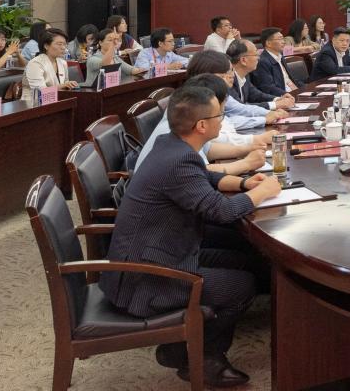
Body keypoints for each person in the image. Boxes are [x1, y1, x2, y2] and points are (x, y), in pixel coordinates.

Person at [100, 84, 281, 387]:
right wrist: (263, 192)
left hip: (166, 251)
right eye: (219, 115)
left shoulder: (172, 145)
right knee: (241, 286)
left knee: (246, 261)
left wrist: (243, 184)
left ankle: (179, 348)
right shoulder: (178, 160)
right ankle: (205, 359)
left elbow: (205, 177)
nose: (223, 120)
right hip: (146, 277)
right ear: (201, 126)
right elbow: (221, 211)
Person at [134, 74, 270, 175]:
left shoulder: (186, 117)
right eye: (220, 111)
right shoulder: (177, 131)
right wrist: (246, 164)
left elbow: (208, 150)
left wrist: (247, 148)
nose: (221, 117)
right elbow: (202, 173)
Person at [188, 50, 288, 129]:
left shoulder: (221, 92)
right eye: (223, 74)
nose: (231, 76)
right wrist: (264, 119)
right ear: (205, 75)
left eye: (231, 70)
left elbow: (241, 108)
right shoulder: (195, 99)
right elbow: (223, 124)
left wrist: (270, 114)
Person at [226, 39, 294, 109]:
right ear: (243, 60)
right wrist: (275, 105)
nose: (259, 58)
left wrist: (277, 99)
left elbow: (256, 95)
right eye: (256, 55)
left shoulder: (245, 75)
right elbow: (240, 108)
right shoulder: (227, 79)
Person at [251, 27, 298, 97]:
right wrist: (287, 95)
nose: (283, 42)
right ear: (268, 43)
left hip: (293, 93)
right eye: (280, 39)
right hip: (282, 97)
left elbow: (291, 79)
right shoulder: (262, 62)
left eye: (283, 38)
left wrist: (304, 89)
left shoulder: (281, 57)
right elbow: (268, 88)